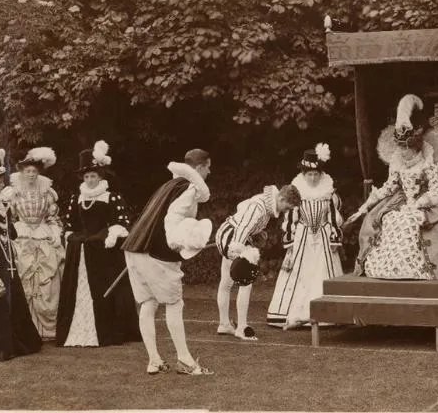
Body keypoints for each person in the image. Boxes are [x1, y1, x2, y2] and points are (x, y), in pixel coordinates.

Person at [348, 94, 438, 280]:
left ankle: (417, 267)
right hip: (402, 200)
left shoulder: (429, 163)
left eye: (407, 149)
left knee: (410, 222)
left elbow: (437, 190)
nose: (403, 153)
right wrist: (366, 206)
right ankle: (389, 266)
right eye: (401, 148)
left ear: (416, 148)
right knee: (388, 219)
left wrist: (420, 203)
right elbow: (390, 186)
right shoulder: (398, 163)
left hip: (429, 203)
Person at [120, 149, 214, 375]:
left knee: (149, 303)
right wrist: (177, 243)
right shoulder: (189, 188)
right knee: (174, 303)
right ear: (199, 168)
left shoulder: (167, 186)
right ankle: (185, 361)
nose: (210, 171)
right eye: (208, 167)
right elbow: (172, 218)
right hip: (156, 254)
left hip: (134, 249)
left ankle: (154, 361)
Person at [56, 141, 141, 347]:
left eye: (93, 176)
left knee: (106, 291)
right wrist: (71, 236)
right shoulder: (76, 198)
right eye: (86, 176)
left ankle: (107, 330)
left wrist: (110, 234)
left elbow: (122, 223)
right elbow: (69, 224)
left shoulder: (111, 197)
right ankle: (77, 329)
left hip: (104, 254)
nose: (90, 180)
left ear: (100, 176)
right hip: (81, 253)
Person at [267, 144, 344, 329]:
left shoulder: (328, 191)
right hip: (303, 237)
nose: (313, 177)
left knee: (324, 272)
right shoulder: (297, 190)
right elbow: (292, 217)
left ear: (320, 174)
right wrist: (291, 241)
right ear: (303, 174)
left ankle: (329, 314)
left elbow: (333, 216)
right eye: (309, 174)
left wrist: (334, 237)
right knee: (299, 272)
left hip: (324, 237)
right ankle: (292, 313)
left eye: (316, 174)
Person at [215, 183, 301, 337]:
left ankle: (224, 324)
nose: (286, 211)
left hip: (229, 233)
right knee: (245, 282)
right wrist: (238, 250)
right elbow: (243, 227)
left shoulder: (265, 203)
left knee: (226, 283)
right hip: (233, 238)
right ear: (281, 199)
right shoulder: (259, 207)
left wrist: (258, 232)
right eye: (287, 207)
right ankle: (241, 328)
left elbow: (242, 209)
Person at [10, 146, 65, 339]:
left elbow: (53, 217)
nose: (31, 174)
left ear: (38, 173)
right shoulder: (14, 194)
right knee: (25, 278)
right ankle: (28, 328)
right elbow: (11, 218)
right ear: (22, 173)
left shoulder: (47, 192)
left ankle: (47, 329)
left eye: (34, 171)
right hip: (23, 236)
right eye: (28, 171)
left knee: (47, 281)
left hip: (43, 236)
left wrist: (55, 232)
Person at [0, 148, 42, 361]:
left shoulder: (2, 203)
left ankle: (16, 340)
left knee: (13, 298)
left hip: (7, 259)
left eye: (0, 181)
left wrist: (6, 211)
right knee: (0, 302)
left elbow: (10, 232)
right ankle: (2, 345)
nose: (0, 184)